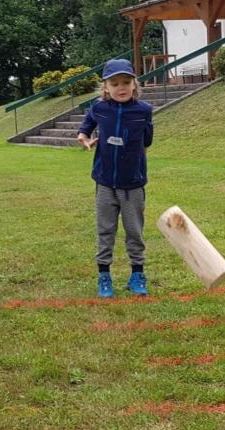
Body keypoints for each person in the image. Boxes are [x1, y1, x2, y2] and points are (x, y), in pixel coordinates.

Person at [76, 59, 154, 297]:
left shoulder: (144, 111)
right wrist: (84, 137)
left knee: (134, 232)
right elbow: (86, 125)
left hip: (133, 185)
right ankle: (104, 276)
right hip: (105, 183)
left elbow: (147, 141)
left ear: (134, 85)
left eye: (126, 82)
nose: (121, 87)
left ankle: (137, 275)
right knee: (105, 230)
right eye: (115, 83)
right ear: (106, 87)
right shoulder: (99, 108)